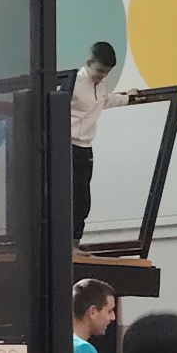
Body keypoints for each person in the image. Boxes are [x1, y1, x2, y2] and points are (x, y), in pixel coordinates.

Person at [68, 41, 123, 235]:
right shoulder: (74, 83)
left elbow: (106, 100)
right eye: (100, 70)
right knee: (68, 194)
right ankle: (64, 240)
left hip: (85, 146)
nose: (102, 76)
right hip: (68, 144)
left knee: (83, 197)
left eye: (106, 72)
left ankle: (75, 240)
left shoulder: (100, 87)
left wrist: (129, 97)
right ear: (89, 63)